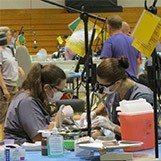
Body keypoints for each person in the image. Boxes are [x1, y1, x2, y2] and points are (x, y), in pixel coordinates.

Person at [86, 58, 154, 139]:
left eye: (104, 85)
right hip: (123, 143)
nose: (101, 89)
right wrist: (95, 113)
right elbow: (108, 104)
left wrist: (112, 127)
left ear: (117, 83)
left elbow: (140, 134)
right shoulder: (115, 90)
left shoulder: (142, 96)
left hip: (144, 146)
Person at [4, 63, 67, 144]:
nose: (61, 94)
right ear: (47, 87)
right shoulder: (27, 102)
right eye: (60, 90)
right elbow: (38, 137)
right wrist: (58, 121)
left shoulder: (34, 97)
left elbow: (41, 123)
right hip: (21, 149)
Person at [100, 15, 140, 80]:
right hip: (133, 80)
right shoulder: (133, 40)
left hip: (119, 82)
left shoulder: (109, 41)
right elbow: (138, 62)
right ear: (121, 26)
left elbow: (105, 64)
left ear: (109, 27)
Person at [0, 29, 24, 130]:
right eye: (9, 35)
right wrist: (4, 89)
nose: (11, 37)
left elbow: (11, 63)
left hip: (13, 85)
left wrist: (18, 68)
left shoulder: (9, 50)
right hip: (5, 86)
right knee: (2, 114)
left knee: (11, 114)